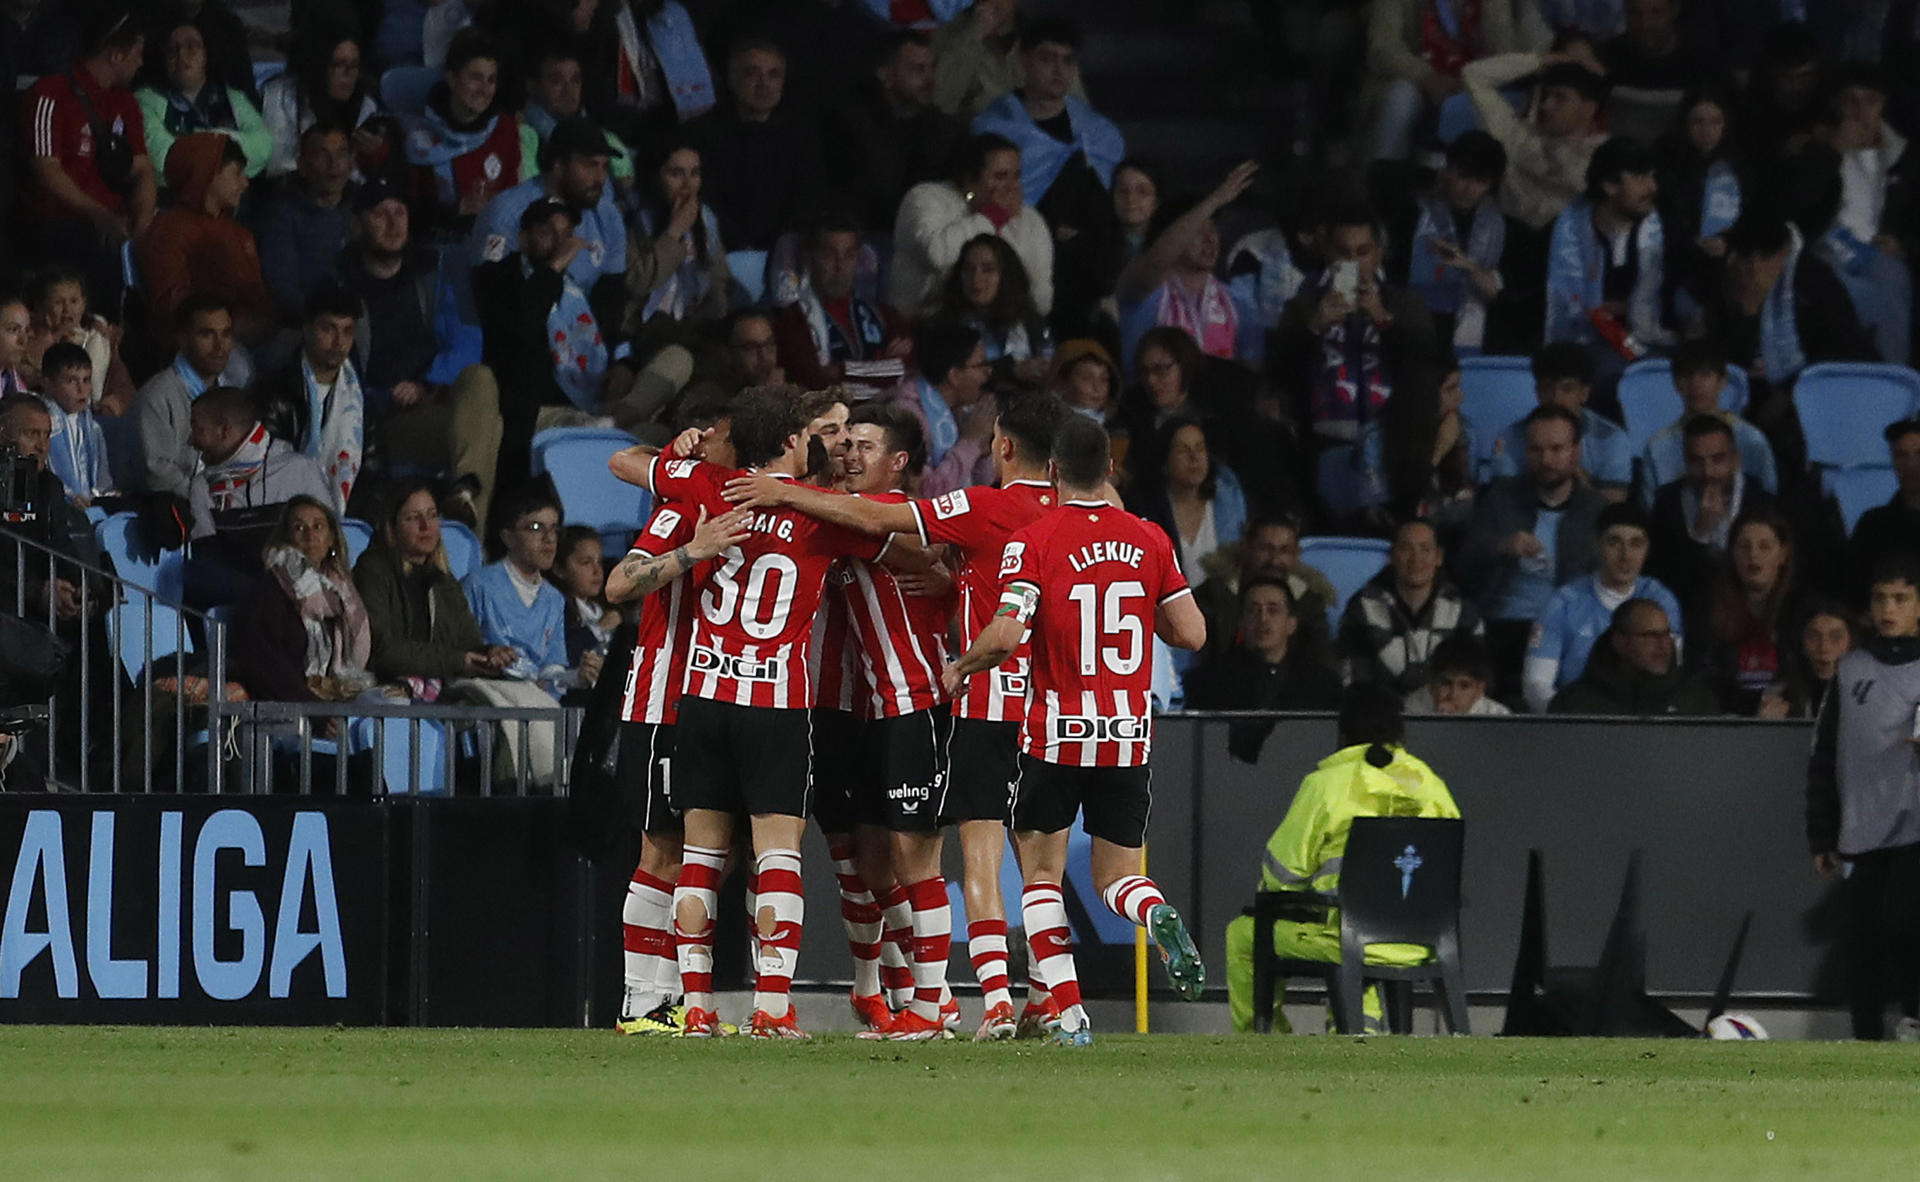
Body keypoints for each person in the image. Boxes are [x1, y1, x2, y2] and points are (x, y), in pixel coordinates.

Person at [719, 390, 1070, 1039]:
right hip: (880, 712)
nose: (849, 453)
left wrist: (782, 492)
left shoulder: (879, 515)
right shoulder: (864, 519)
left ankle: (939, 1003)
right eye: (843, 442)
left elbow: (886, 532)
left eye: (863, 444)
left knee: (922, 860)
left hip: (923, 704)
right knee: (884, 863)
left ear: (899, 461)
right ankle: (934, 995)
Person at [607, 386, 912, 1039]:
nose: (823, 444)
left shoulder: (704, 488)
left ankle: (693, 1009)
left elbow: (625, 462)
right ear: (790, 441)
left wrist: (677, 457)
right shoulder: (819, 516)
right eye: (813, 433)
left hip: (703, 700)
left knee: (697, 855)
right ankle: (770, 1008)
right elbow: (896, 535)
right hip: (774, 700)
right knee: (777, 854)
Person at [938, 413, 1208, 1045]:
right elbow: (1192, 633)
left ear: (1053, 470)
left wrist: (961, 666)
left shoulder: (1035, 540)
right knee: (1117, 877)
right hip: (1127, 735)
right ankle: (1155, 910)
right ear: (1109, 469)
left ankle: (1069, 1012)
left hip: (1056, 732)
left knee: (1039, 874)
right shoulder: (1149, 539)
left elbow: (1007, 635)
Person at [602, 410, 752, 1035]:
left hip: (711, 701)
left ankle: (670, 999)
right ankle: (643, 1001)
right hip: (664, 699)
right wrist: (697, 549)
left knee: (715, 853)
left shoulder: (745, 501)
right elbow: (617, 584)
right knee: (662, 849)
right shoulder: (684, 507)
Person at [1222, 686, 1459, 1033]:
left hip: (1348, 938)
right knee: (1358, 937)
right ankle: (1360, 1033)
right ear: (1400, 732)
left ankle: (1268, 1044)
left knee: (1242, 935)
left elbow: (1282, 875)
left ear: (1342, 733)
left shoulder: (1325, 785)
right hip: (1422, 941)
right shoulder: (1431, 785)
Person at [338, 177, 504, 527]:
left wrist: (427, 383)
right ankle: (470, 539)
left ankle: (464, 499)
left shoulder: (435, 267)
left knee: (481, 378)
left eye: (400, 212)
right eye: (380, 214)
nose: (394, 223)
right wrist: (386, 396)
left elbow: (467, 339)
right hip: (383, 420)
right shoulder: (341, 281)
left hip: (438, 398)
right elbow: (340, 367)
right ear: (358, 223)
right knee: (493, 429)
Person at [1806, 555, 1920, 1041]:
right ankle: (1866, 1034)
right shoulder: (1851, 670)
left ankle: (1913, 1018)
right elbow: (1825, 753)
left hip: (1915, 823)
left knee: (1905, 922)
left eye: (1900, 598)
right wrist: (1821, 830)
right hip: (1863, 824)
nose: (1888, 608)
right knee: (1862, 936)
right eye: (1880, 598)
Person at [971, 19, 1124, 332]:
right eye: (1047, 58)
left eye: (1067, 61)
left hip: (1086, 276)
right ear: (1024, 61)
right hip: (1015, 264)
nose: (1058, 69)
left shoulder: (1098, 133)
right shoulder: (994, 128)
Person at [1458, 405, 1608, 694]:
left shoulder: (1597, 511)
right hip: (1503, 626)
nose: (1546, 459)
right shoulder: (1499, 499)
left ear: (1576, 451)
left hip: (1569, 630)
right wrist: (1502, 547)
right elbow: (1464, 565)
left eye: (1556, 449)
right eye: (1536, 450)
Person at [20, 5, 157, 309]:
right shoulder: (51, 93)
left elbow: (143, 169)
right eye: (137, 52)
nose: (141, 62)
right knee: (89, 244)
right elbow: (46, 169)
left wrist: (143, 227)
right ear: (115, 55)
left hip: (110, 227)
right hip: (58, 224)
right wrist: (100, 215)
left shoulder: (127, 103)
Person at [1274, 205, 1440, 445]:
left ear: (1378, 254)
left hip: (1392, 440)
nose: (1353, 262)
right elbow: (1280, 374)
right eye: (1343, 252)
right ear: (1328, 253)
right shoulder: (1303, 305)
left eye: (1363, 252)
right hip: (1321, 441)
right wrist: (1313, 329)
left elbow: (1425, 366)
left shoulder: (1406, 304)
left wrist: (1382, 319)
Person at [1521, 501, 1684, 714]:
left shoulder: (1662, 601)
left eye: (1636, 544)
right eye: (1614, 542)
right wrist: (1572, 718)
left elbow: (1671, 675)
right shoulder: (1562, 603)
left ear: (1647, 549)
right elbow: (1535, 685)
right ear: (1597, 545)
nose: (1625, 555)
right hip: (1578, 720)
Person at [353, 482, 512, 688]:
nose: (425, 526)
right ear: (391, 528)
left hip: (441, 695)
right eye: (412, 517)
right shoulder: (372, 570)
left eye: (432, 515)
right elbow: (383, 650)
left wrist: (490, 653)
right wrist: (457, 661)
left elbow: (468, 644)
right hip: (387, 694)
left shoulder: (444, 580)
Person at [1807, 62, 1914, 365]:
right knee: (1840, 291)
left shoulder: (1904, 154)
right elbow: (1800, 206)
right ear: (1836, 105)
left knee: (1892, 281)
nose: (1860, 110)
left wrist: (1904, 241)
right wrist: (1831, 153)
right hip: (1826, 247)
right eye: (1850, 100)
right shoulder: (1816, 148)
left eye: (1870, 100)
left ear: (1883, 104)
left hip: (1878, 249)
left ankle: (1894, 387)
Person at [890, 133, 1053, 321]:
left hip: (1005, 330)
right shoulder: (923, 199)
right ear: (970, 180)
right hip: (925, 326)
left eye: (1016, 176)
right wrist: (992, 217)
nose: (1011, 187)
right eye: (1000, 177)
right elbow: (938, 256)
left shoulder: (1029, 221)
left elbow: (1041, 299)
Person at [1544, 137, 1671, 376]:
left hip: (1652, 347)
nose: (1652, 187)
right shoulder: (1565, 232)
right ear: (1610, 185)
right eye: (1640, 178)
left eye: (1652, 177)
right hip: (1583, 350)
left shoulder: (1668, 229)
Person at [1646, 414, 1780, 640]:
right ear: (1685, 463)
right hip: (1691, 621)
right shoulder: (1667, 503)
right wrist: (1700, 534)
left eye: (1718, 460)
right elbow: (1665, 578)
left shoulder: (1763, 503)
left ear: (1735, 459)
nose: (1708, 472)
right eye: (1697, 461)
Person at [231, 495, 375, 705]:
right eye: (299, 528)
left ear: (331, 539)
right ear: (286, 538)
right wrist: (314, 711)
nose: (310, 535)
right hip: (291, 711)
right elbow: (266, 665)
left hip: (333, 702)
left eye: (318, 527)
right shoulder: (269, 591)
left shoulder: (344, 594)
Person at [1115, 161, 1259, 369]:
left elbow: (1251, 373)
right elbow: (1157, 262)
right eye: (1197, 230)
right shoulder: (1142, 291)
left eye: (1213, 228)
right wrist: (1215, 200)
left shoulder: (1238, 303)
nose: (1210, 239)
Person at [133, 134, 272, 349]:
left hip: (255, 340)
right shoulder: (167, 231)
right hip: (202, 348)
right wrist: (230, 323)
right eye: (236, 173)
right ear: (206, 173)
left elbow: (259, 300)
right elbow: (172, 309)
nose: (245, 183)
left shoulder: (239, 233)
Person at [1187, 575, 1343, 763]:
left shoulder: (1322, 684)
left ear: (1292, 623)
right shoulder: (1208, 682)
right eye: (1253, 611)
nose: (1263, 619)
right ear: (1241, 622)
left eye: (1273, 610)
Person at [687, 40, 824, 252]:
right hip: (720, 253)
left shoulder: (801, 137)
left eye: (774, 75)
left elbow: (807, 202)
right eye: (752, 73)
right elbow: (706, 200)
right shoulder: (702, 134)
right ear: (732, 79)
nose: (764, 84)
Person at [827, 31, 968, 237]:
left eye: (931, 69)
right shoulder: (849, 125)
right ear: (886, 76)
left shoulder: (945, 132)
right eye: (918, 70)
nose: (930, 80)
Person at [473, 115, 627, 299]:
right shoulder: (507, 213)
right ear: (559, 165)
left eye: (604, 166)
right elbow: (490, 297)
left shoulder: (607, 215)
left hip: (581, 323)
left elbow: (611, 297)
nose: (600, 178)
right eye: (590, 165)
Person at [464, 489, 594, 699]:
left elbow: (550, 670)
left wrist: (577, 677)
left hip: (534, 702)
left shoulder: (554, 599)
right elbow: (460, 650)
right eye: (536, 528)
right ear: (508, 537)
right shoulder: (479, 585)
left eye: (554, 530)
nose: (549, 539)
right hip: (488, 697)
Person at [1389, 130, 1510, 355]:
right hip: (1417, 319)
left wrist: (1468, 265)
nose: (1469, 189)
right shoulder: (1413, 213)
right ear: (1447, 171)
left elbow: (1497, 296)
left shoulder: (1498, 226)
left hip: (1470, 325)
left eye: (1480, 181)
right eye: (1463, 177)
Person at [1462, 47, 1609, 229]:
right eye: (1545, 96)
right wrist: (1546, 60)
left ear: (1589, 108)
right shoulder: (1514, 134)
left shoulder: (1604, 157)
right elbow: (1474, 75)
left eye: (1560, 98)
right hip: (1506, 238)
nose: (1546, 105)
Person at [1338, 518, 1483, 698]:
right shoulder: (1361, 608)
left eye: (1425, 549)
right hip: (1382, 716)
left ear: (1439, 557)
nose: (1416, 559)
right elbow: (1354, 681)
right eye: (1406, 549)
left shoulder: (1463, 611)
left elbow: (1476, 679)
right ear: (1391, 556)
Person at [1363, 0, 1520, 162]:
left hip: (1472, 85)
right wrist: (1426, 78)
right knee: (1401, 97)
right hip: (1414, 81)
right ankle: (1381, 176)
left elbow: (1506, 52)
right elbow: (1382, 49)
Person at [256, 283, 366, 514]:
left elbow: (372, 476)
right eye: (329, 329)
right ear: (306, 329)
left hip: (345, 522)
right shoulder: (274, 392)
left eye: (347, 331)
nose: (339, 342)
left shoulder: (360, 397)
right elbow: (269, 474)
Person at [770, 219, 913, 392]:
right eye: (828, 255)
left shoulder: (882, 313)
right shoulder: (792, 321)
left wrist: (842, 370)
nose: (840, 266)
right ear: (809, 257)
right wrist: (882, 369)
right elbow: (814, 383)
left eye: (849, 255)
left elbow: (909, 369)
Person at [403, 29, 524, 233]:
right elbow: (405, 208)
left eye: (491, 80)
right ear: (451, 78)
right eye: (476, 78)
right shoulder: (417, 131)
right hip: (434, 244)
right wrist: (454, 211)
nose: (485, 90)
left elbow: (514, 199)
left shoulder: (504, 129)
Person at [1634, 339, 1777, 507]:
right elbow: (1651, 509)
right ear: (1675, 383)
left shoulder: (1752, 439)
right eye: (1686, 376)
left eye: (1706, 375)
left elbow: (1768, 500)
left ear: (1722, 381)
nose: (1696, 384)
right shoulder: (1657, 446)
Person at [134, 11, 270, 186]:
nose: (182, 55)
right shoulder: (146, 99)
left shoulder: (232, 97)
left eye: (191, 46)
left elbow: (263, 145)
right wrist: (228, 147)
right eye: (172, 50)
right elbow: (163, 157)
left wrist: (191, 141)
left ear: (206, 54)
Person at [184, 384, 332, 542]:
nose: (191, 440)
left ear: (224, 431)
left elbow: (331, 540)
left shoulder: (300, 471)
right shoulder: (201, 487)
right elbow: (205, 556)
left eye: (198, 430)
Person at [1189, 513, 1337, 671]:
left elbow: (1322, 663)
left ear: (1296, 556)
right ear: (1247, 548)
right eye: (1265, 549)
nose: (1274, 560)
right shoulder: (1211, 597)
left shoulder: (1309, 603)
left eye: (1285, 551)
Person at [1488, 343, 1632, 498]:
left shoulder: (1611, 438)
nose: (1556, 399)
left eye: (1567, 389)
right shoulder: (1510, 437)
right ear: (1537, 392)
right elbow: (1502, 503)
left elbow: (1613, 506)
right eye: (1547, 388)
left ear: (1584, 393)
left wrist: (1571, 479)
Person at [132, 294, 238, 498]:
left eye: (226, 334)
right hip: (179, 513)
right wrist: (206, 501)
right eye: (207, 335)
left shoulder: (233, 390)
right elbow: (157, 472)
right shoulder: (156, 396)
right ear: (182, 339)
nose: (220, 346)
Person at [1126, 419, 1248, 592]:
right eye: (1183, 450)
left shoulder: (1228, 502)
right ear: (1163, 461)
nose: (1194, 458)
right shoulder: (1143, 511)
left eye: (1200, 448)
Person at [579, 0, 717, 152]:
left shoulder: (675, 14)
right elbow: (598, 93)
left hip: (677, 134)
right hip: (621, 136)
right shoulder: (604, 16)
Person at [627, 137, 729, 340]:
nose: (687, 185)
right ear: (655, 177)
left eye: (695, 173)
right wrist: (674, 233)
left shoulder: (706, 218)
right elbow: (636, 285)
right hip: (642, 331)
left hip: (694, 327)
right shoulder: (631, 218)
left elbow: (719, 281)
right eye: (676, 174)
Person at [252, 125, 355, 323]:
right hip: (308, 327)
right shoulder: (280, 215)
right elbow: (283, 290)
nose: (333, 164)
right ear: (302, 165)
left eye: (341, 154)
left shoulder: (362, 206)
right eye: (322, 155)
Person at [1549, 597, 1721, 714]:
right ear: (1620, 643)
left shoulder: (1697, 703)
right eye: (1650, 636)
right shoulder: (1573, 706)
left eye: (1667, 634)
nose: (1663, 645)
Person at [1657, 86, 1745, 316]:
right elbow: (1664, 215)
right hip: (1680, 255)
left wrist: (1729, 241)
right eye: (1698, 122)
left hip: (1730, 256)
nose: (1707, 131)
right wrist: (1692, 241)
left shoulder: (1741, 166)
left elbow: (1752, 216)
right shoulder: (1667, 165)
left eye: (1716, 122)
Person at [1705, 506, 1800, 715]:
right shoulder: (1710, 610)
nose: (1753, 555)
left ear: (1783, 554)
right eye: (1743, 546)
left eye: (1764, 547)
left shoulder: (1801, 612)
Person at [260, 26, 387, 179]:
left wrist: (373, 156)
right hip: (291, 191)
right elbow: (276, 165)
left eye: (354, 66)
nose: (348, 74)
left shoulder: (366, 106)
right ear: (318, 65)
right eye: (338, 65)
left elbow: (362, 177)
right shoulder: (280, 95)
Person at [885, 320, 995, 497]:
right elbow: (927, 491)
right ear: (954, 375)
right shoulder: (909, 414)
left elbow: (982, 489)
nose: (988, 372)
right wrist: (970, 442)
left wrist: (983, 448)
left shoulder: (961, 412)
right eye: (980, 365)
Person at [930, 234, 1052, 381]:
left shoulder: (1031, 322)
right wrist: (1011, 371)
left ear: (1006, 275)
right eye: (968, 269)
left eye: (987, 269)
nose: (976, 278)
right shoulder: (943, 325)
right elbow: (949, 377)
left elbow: (1049, 364)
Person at [22, 267, 134, 416]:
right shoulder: (27, 340)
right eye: (58, 303)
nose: (67, 309)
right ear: (41, 307)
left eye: (74, 301)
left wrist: (111, 405)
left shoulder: (101, 339)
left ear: (83, 304)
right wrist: (48, 339)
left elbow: (122, 385)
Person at [1851, 419, 1920, 603]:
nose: (1911, 464)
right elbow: (1855, 589)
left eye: (1919, 454)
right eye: (1901, 455)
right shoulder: (1873, 525)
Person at [36, 342, 111, 507]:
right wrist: (69, 497)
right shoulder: (42, 422)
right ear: (48, 383)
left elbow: (103, 476)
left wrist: (104, 496)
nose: (82, 389)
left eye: (86, 380)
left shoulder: (93, 428)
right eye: (71, 381)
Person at [1763, 596, 1853, 719]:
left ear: (1851, 643)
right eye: (1814, 637)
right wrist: (1766, 725)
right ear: (1801, 642)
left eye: (1836, 637)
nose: (1824, 647)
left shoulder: (1870, 695)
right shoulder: (1778, 696)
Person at [1405, 632, 1510, 715]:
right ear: (1431, 684)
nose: (1453, 695)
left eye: (1464, 686)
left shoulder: (1498, 716)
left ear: (1480, 689)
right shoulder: (1411, 710)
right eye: (1446, 684)